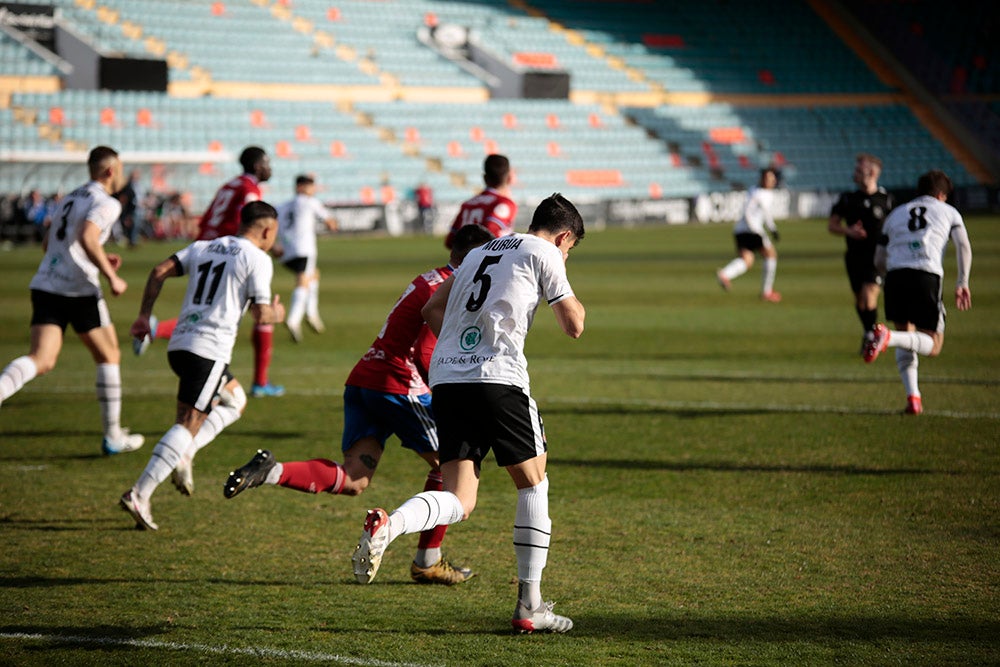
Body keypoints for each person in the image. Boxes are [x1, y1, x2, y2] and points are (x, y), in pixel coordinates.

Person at [352, 193, 587, 634]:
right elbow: (574, 325)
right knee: (534, 481)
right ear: (565, 236)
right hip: (499, 376)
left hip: (447, 378)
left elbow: (431, 309)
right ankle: (529, 605)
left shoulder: (481, 249)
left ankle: (392, 523)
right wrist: (561, 270)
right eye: (569, 248)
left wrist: (462, 348)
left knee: (461, 499)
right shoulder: (546, 252)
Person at [223, 224, 493, 584]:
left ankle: (271, 470)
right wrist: (448, 394)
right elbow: (424, 350)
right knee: (452, 467)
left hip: (366, 378)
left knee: (353, 478)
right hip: (398, 384)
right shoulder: (450, 287)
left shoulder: (431, 277)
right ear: (476, 257)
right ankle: (427, 560)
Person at [120, 201, 285, 530]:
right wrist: (277, 314)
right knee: (188, 421)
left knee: (235, 400)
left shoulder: (203, 247)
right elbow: (261, 314)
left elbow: (158, 271)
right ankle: (140, 492)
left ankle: (185, 452)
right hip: (208, 350)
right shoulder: (257, 259)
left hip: (180, 343)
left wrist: (143, 316)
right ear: (267, 230)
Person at [0, 146, 144, 455]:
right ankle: (113, 436)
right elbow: (87, 237)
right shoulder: (107, 203)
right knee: (109, 356)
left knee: (41, 359)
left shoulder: (71, 196)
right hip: (79, 289)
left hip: (46, 283)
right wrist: (111, 276)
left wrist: (100, 258)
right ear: (110, 171)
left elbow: (48, 243)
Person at [135, 147, 283, 399]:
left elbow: (207, 219)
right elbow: (251, 218)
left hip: (208, 248)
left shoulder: (229, 184)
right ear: (258, 165)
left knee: (210, 311)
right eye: (267, 163)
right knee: (262, 307)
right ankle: (260, 381)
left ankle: (157, 328)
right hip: (234, 252)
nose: (270, 168)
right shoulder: (250, 190)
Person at [862, 170, 972, 415]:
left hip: (895, 275)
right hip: (926, 274)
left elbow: (879, 258)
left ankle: (914, 398)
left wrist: (889, 271)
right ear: (942, 195)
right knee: (933, 346)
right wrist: (962, 281)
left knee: (907, 334)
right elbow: (963, 245)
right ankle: (888, 338)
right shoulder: (949, 212)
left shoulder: (896, 215)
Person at [828, 153, 894, 341]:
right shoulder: (848, 198)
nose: (855, 173)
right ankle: (869, 332)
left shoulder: (887, 199)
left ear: (872, 172)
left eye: (859, 170)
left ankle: (873, 337)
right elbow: (832, 225)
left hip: (878, 256)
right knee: (860, 300)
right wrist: (848, 231)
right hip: (854, 256)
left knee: (869, 294)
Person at [275, 174, 338, 343]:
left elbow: (273, 225)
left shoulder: (282, 206)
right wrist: (332, 224)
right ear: (300, 187)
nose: (313, 190)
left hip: (284, 251)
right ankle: (294, 319)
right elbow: (330, 223)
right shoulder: (310, 202)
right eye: (311, 186)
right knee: (303, 279)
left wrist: (275, 245)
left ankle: (311, 313)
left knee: (313, 275)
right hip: (303, 249)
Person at [715, 167, 782, 302]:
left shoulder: (756, 191)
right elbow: (748, 212)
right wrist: (756, 229)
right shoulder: (758, 193)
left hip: (740, 230)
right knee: (771, 255)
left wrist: (773, 229)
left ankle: (724, 274)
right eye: (768, 178)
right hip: (752, 230)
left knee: (747, 260)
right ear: (763, 179)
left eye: (772, 178)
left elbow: (765, 214)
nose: (771, 180)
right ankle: (766, 292)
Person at [443, 154, 516, 249]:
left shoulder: (468, 204)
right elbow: (491, 231)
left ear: (484, 178)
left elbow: (450, 241)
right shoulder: (504, 204)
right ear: (509, 178)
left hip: (465, 262)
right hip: (490, 261)